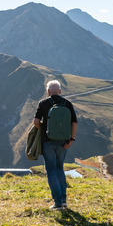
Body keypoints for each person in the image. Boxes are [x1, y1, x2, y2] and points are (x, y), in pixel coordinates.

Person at [33, 80, 78, 210]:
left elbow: (36, 122)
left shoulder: (43, 103)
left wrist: (42, 127)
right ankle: (63, 200)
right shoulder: (67, 104)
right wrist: (71, 140)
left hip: (48, 142)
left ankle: (57, 202)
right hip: (64, 142)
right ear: (60, 91)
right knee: (59, 169)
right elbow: (74, 123)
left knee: (51, 170)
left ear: (48, 92)